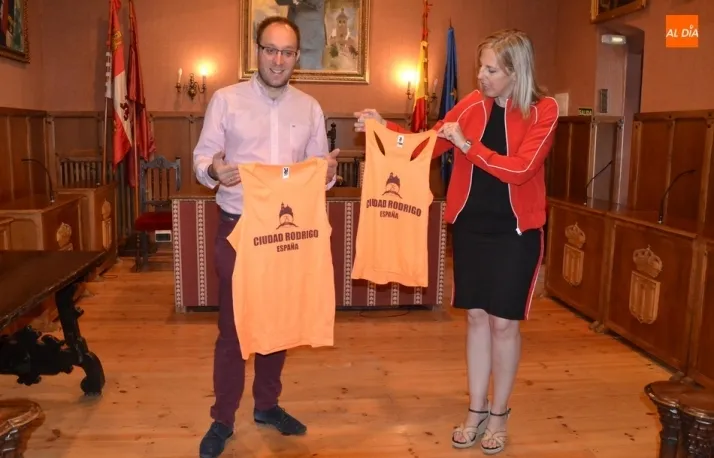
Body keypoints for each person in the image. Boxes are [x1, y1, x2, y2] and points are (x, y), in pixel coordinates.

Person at [354, 29, 558, 454]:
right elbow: (426, 145)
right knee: (477, 318)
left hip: (515, 232)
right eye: (480, 67)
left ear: (516, 72)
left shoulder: (544, 110)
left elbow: (520, 170)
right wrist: (382, 128)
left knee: (504, 324)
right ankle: (476, 410)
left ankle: (499, 413)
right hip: (471, 227)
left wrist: (468, 145)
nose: (481, 76)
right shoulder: (471, 104)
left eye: (491, 70)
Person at [192, 15, 339, 458]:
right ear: (256, 51)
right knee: (233, 328)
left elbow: (318, 172)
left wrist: (328, 174)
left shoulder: (309, 108)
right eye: (270, 50)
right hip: (239, 227)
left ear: (297, 58)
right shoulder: (226, 100)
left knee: (279, 321)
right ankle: (222, 418)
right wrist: (215, 170)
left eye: (287, 52)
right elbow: (202, 159)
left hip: (286, 234)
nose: (278, 60)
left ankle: (267, 405)